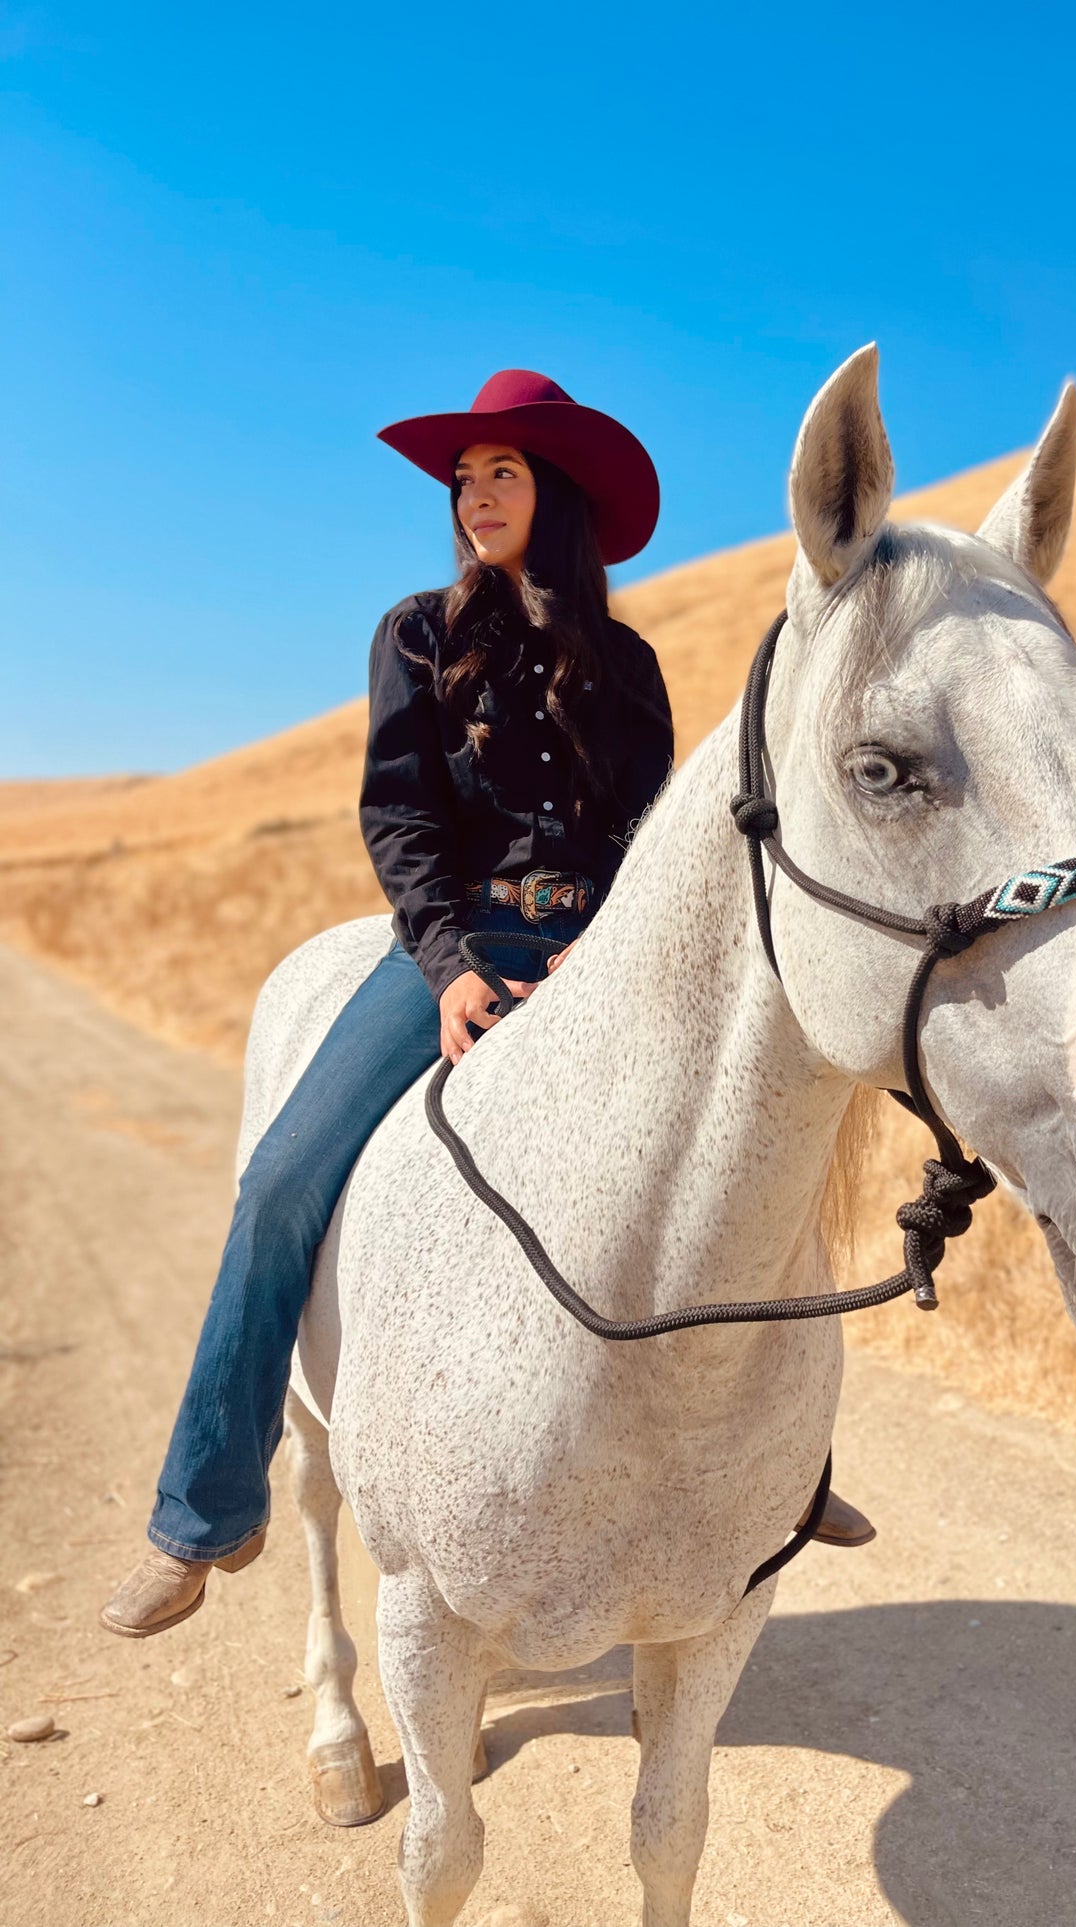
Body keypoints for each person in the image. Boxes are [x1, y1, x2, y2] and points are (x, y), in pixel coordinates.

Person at [101, 370, 873, 1640]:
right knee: (284, 1178)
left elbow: (645, 839)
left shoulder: (623, 664)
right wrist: (453, 964)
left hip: (600, 953)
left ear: (552, 494)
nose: (471, 495)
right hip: (453, 947)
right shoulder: (415, 634)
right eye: (463, 478)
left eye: (499, 473)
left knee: (737, 1153)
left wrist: (607, 955)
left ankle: (786, 1466)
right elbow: (399, 819)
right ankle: (203, 1511)